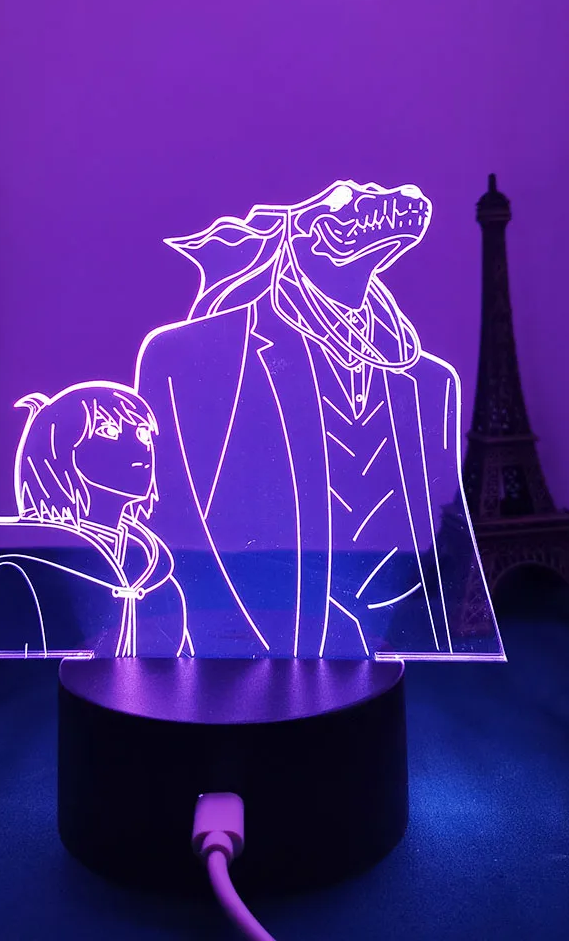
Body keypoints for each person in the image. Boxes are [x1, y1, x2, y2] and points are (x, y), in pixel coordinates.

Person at [134, 180, 503, 660]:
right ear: (295, 232)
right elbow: (170, 517)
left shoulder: (430, 383)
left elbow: (428, 529)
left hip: (383, 646)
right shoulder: (186, 355)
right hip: (242, 641)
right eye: (348, 195)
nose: (372, 196)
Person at [0, 381, 192, 658]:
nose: (140, 448)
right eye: (109, 431)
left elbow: (180, 666)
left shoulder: (160, 581)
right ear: (59, 447)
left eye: (142, 434)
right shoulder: (21, 570)